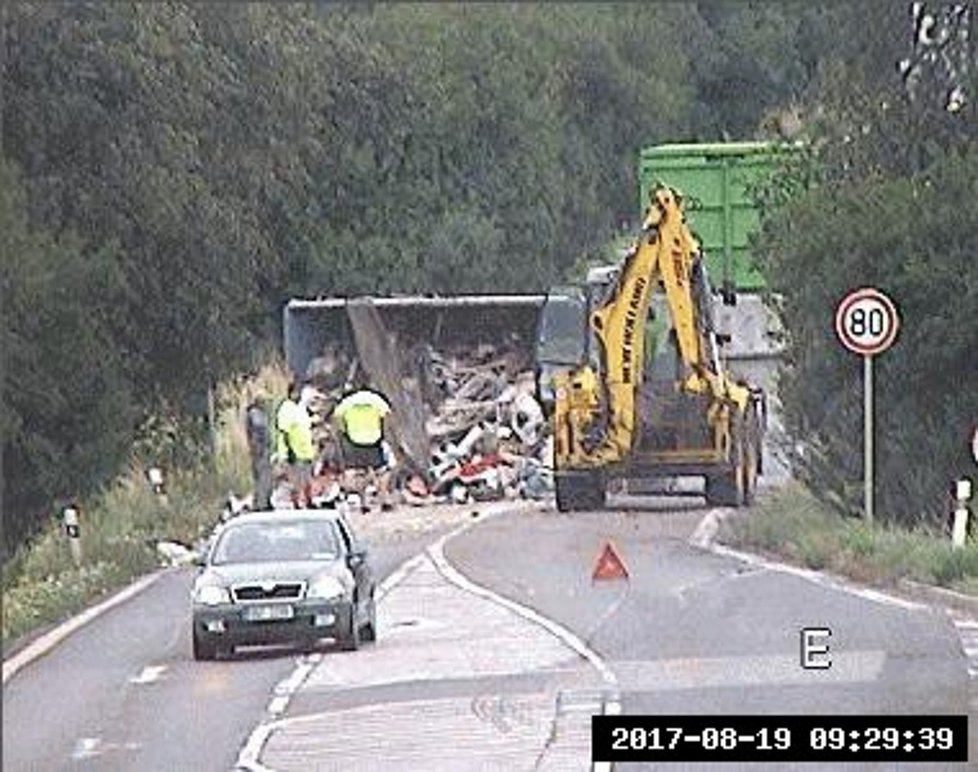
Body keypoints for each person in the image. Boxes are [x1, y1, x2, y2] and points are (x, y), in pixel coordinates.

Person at [332, 382, 394, 511]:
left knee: (360, 473)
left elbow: (337, 417)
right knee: (382, 471)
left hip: (355, 440)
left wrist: (345, 431)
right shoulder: (376, 400)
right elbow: (387, 415)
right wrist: (384, 432)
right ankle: (383, 500)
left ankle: (363, 503)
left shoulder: (348, 402)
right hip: (374, 440)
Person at [275, 381, 316, 508]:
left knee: (307, 479)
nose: (299, 395)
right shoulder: (286, 408)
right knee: (295, 481)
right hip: (293, 452)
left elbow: (305, 426)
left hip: (305, 451)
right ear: (291, 393)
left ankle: (309, 501)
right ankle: (296, 504)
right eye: (296, 393)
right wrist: (289, 451)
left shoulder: (299, 408)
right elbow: (284, 431)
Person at [245, 394, 272, 510]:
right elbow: (257, 432)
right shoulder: (255, 414)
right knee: (262, 477)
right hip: (259, 450)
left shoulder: (259, 414)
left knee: (263, 477)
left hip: (261, 450)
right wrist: (258, 449)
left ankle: (262, 500)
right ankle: (261, 504)